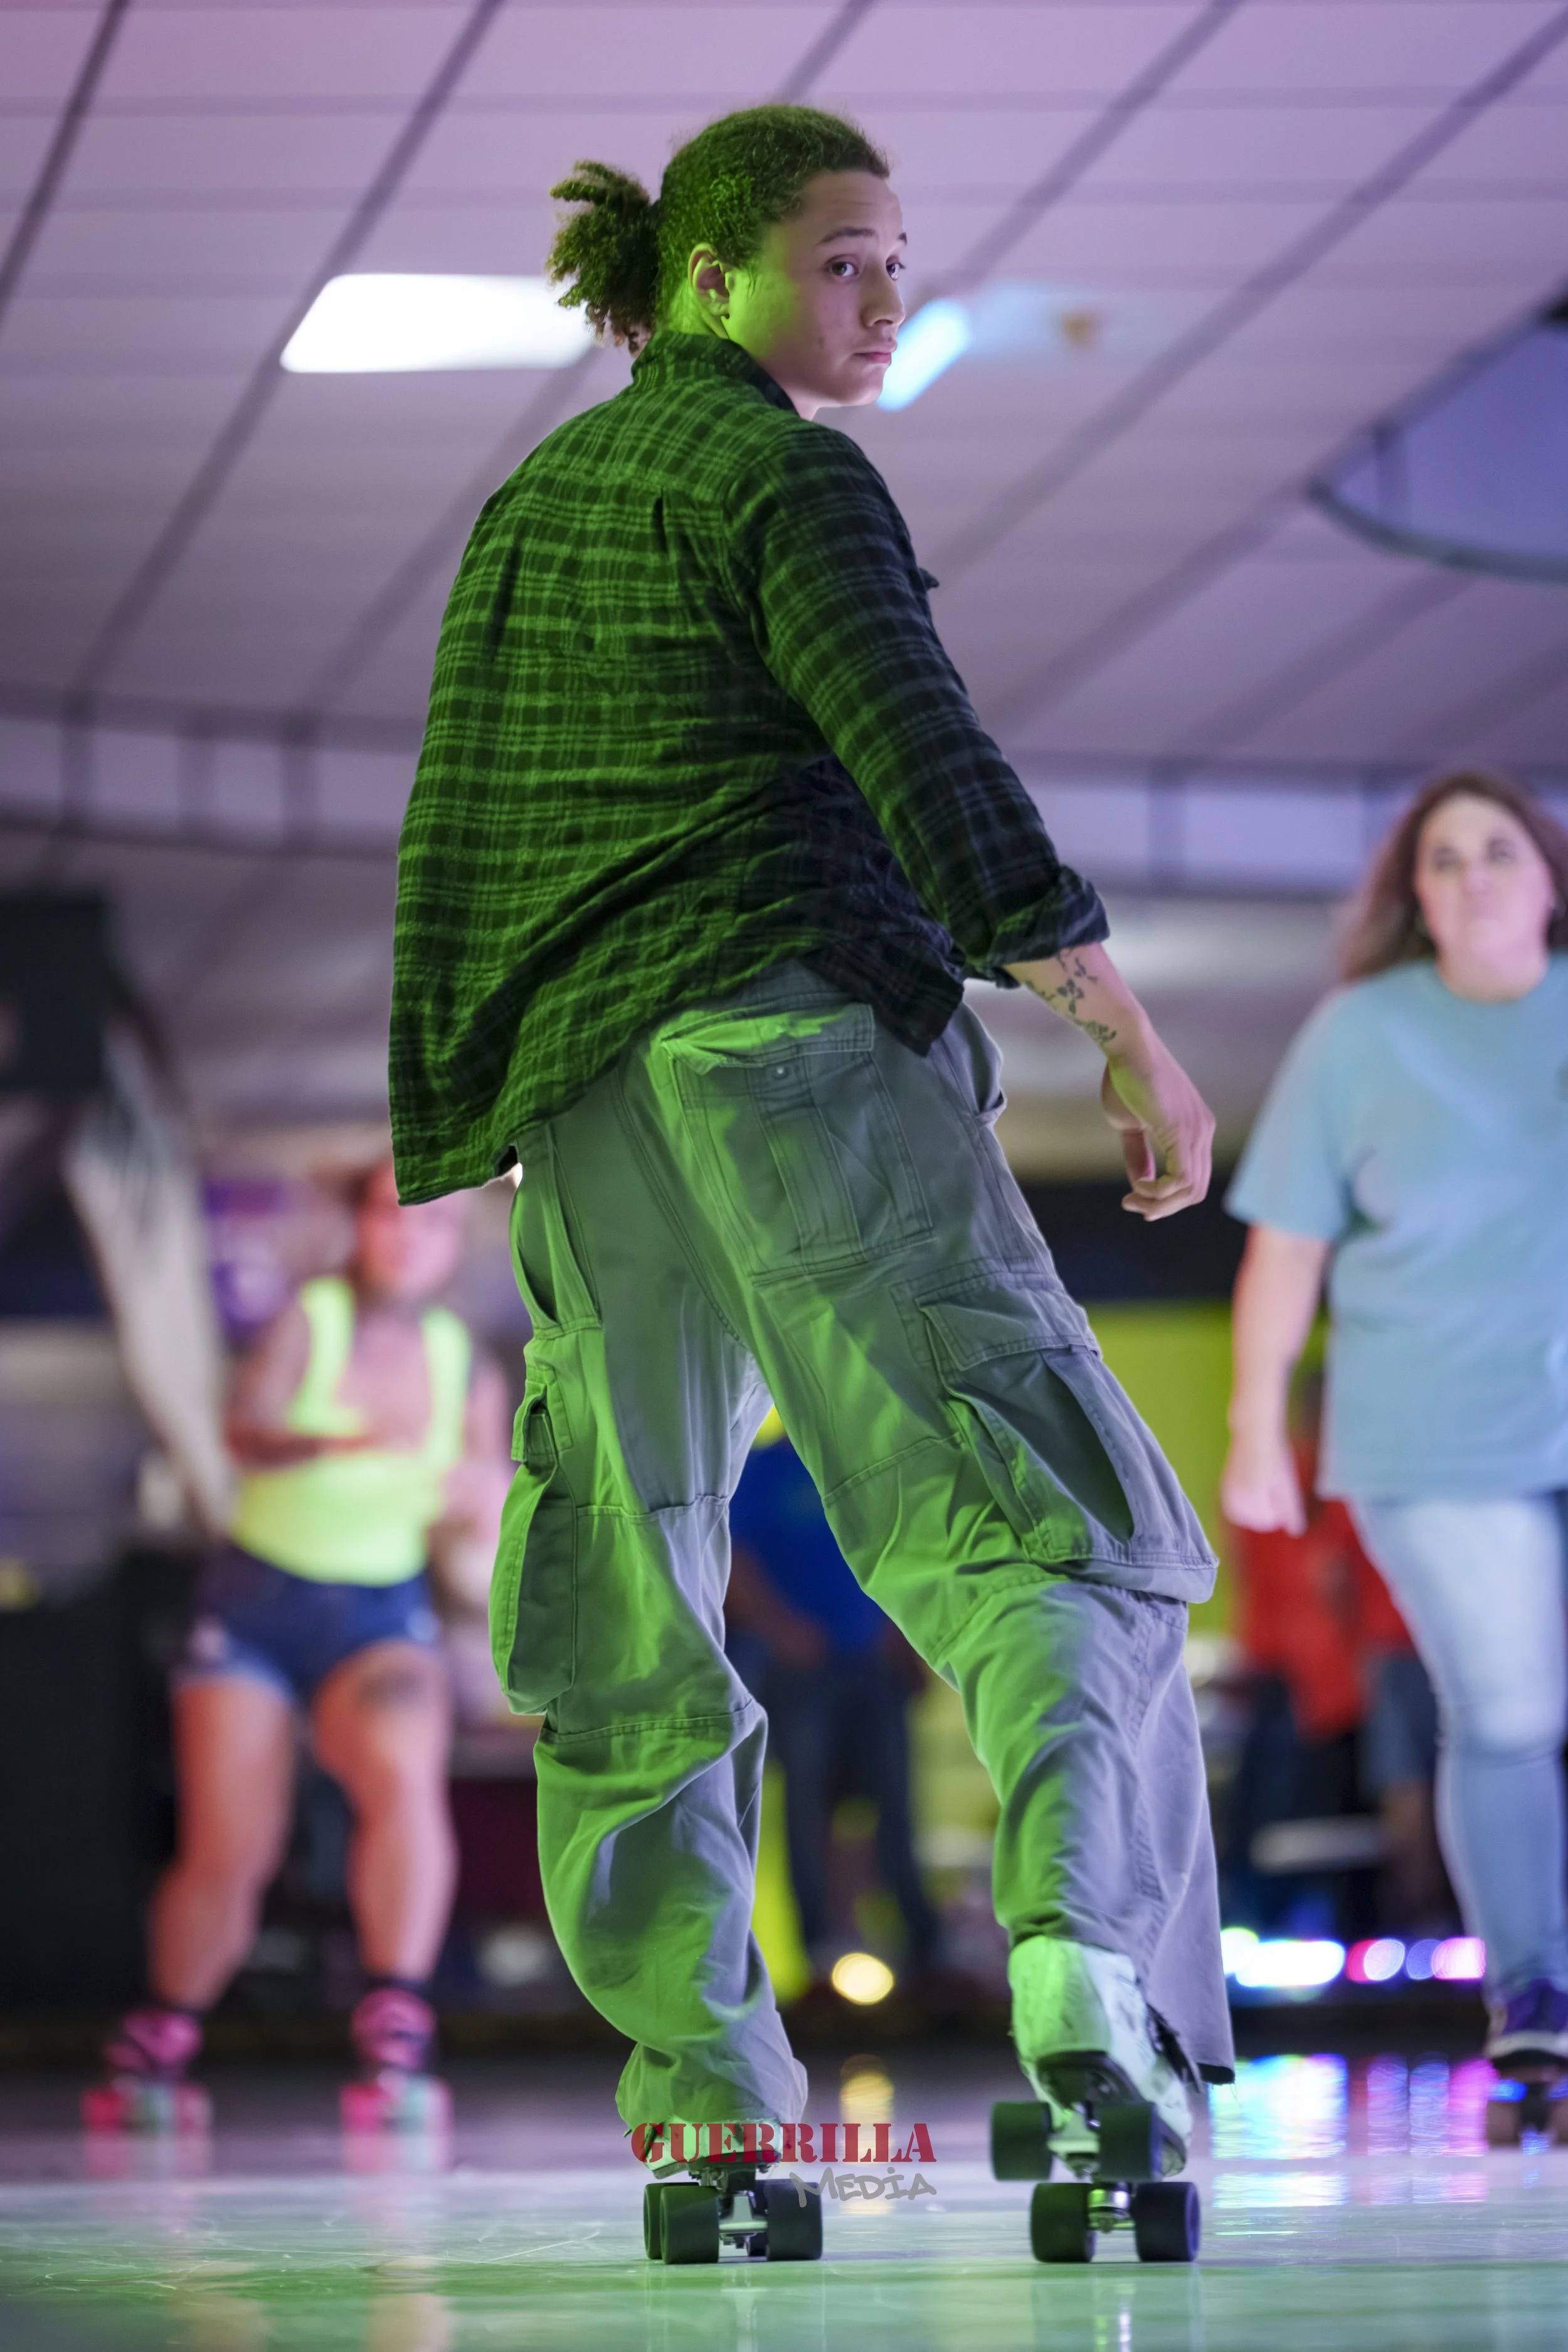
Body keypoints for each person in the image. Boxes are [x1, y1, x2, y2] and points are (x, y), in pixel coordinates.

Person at [390, 103, 1232, 2182]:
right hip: (794, 1049)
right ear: (709, 277)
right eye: (846, 258)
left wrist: (480, 1113)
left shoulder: (529, 509)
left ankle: (705, 2098)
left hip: (590, 1118)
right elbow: (918, 738)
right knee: (1048, 1519)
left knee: (630, 1591)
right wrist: (1113, 1018)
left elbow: (457, 838)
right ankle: (1080, 1965)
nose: (887, 294)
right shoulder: (784, 473)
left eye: (896, 256)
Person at [1222, 770, 1568, 2074]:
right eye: (1440, 859)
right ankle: (1530, 1995)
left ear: (1544, 876)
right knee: (1504, 1709)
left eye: (1495, 850)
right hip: (1431, 1436)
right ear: (1412, 896)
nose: (1469, 876)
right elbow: (1284, 1254)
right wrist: (1257, 1430)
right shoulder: (1358, 1035)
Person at [88, 1158, 510, 2129]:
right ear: (361, 1226)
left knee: (405, 1781)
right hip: (259, 1604)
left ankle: (396, 2020)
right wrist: (340, 1444)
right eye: (394, 1218)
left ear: (454, 1245)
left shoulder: (465, 1361)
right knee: (232, 1846)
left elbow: (477, 1508)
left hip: (377, 1612)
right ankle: (162, 2035)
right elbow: (245, 1430)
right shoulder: (311, 1318)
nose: (411, 1238)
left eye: (433, 1226)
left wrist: (476, 1503)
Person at [724, 1420, 946, 1988]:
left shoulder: (868, 1462)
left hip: (873, 1663)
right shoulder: (763, 1470)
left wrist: (908, 1643)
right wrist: (781, 1630)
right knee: (806, 1803)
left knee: (896, 1800)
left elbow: (909, 1555)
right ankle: (818, 1949)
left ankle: (922, 1946)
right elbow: (733, 1559)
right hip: (803, 1671)